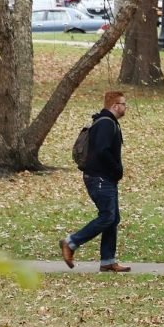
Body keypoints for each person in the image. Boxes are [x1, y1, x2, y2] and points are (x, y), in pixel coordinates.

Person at [60, 91, 129, 273]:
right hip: (100, 178)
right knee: (107, 216)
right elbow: (101, 151)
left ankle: (108, 260)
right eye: (123, 104)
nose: (125, 107)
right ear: (115, 105)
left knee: (113, 218)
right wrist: (117, 169)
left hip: (104, 178)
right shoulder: (106, 123)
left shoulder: (107, 122)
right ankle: (71, 242)